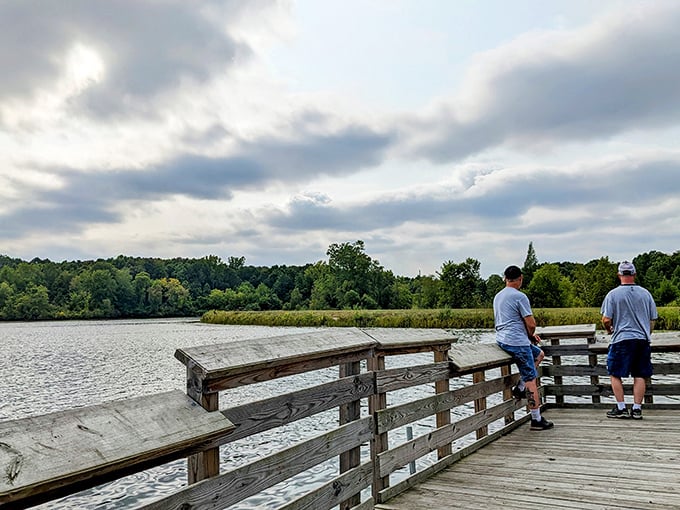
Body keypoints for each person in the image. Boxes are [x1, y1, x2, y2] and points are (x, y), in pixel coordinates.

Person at [493, 265, 553, 431]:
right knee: (531, 379)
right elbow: (531, 324)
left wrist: (528, 337)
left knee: (539, 354)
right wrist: (530, 335)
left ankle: (519, 388)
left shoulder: (498, 296)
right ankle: (536, 419)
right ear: (520, 278)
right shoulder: (520, 296)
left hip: (503, 340)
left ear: (505, 278)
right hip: (518, 342)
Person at [601, 261, 657, 419]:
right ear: (634, 274)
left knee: (614, 373)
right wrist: (647, 332)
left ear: (619, 275)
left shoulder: (613, 295)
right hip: (642, 339)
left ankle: (621, 408)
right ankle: (637, 409)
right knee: (640, 374)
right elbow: (653, 319)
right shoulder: (646, 294)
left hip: (621, 338)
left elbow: (606, 319)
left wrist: (609, 329)